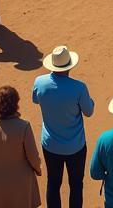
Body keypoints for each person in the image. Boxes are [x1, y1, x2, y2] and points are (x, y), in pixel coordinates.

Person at [33, 46, 95, 208]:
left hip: (51, 145)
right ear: (69, 65)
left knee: (53, 183)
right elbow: (89, 111)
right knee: (76, 185)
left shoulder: (39, 82)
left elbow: (35, 99)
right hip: (75, 147)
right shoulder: (79, 88)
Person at [0, 85, 42, 206]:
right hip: (22, 182)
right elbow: (33, 156)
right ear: (15, 104)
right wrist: (38, 169)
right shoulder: (24, 126)